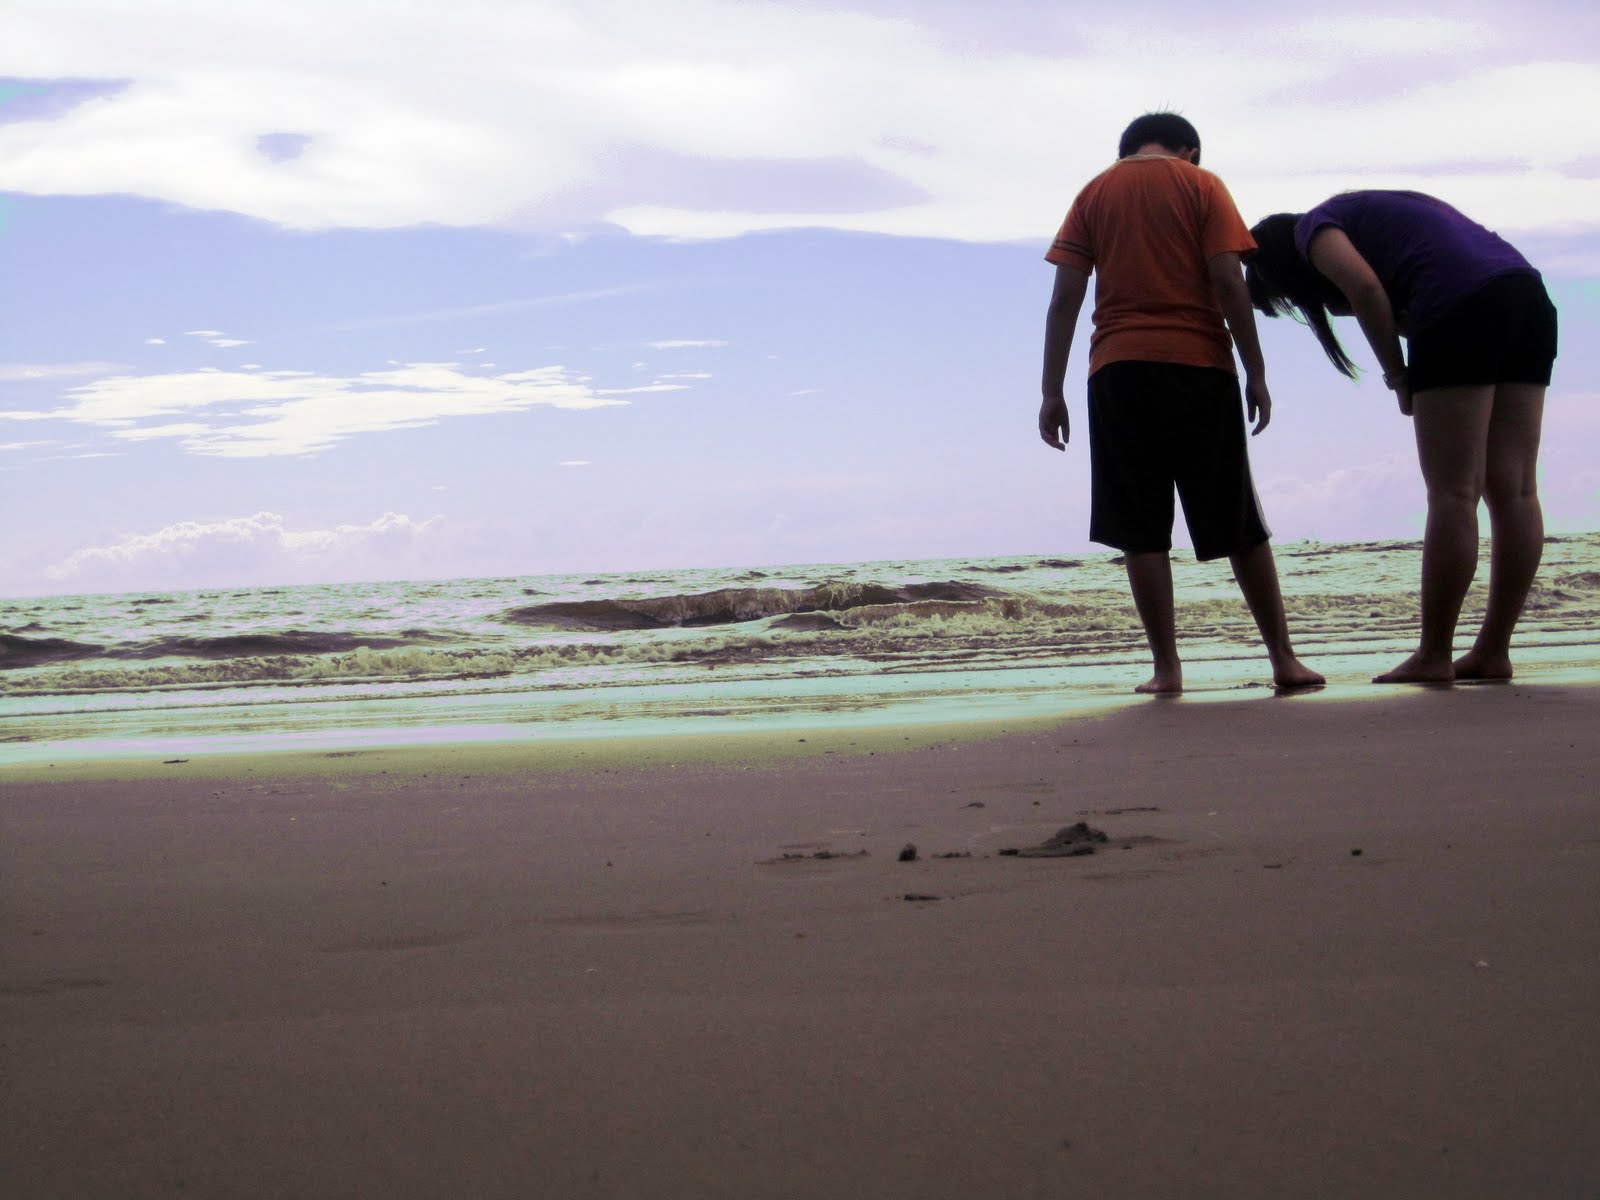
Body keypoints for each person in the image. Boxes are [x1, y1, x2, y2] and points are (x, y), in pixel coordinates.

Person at [1038, 112, 1322, 695]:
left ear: (1127, 149)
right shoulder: (1203, 185)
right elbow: (1228, 280)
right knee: (1236, 518)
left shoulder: (1094, 192)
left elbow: (1065, 298)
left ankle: (1167, 670)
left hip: (1117, 370)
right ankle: (1283, 660)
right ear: (1189, 150)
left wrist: (1051, 390)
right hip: (1199, 365)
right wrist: (1257, 370)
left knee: (1140, 527)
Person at [1245, 192, 1558, 683]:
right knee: (1515, 488)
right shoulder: (1371, 214)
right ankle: (1493, 650)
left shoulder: (1312, 229)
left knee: (1454, 491)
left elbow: (1365, 288)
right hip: (1527, 297)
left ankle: (1434, 654)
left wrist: (1398, 376)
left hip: (1462, 305)